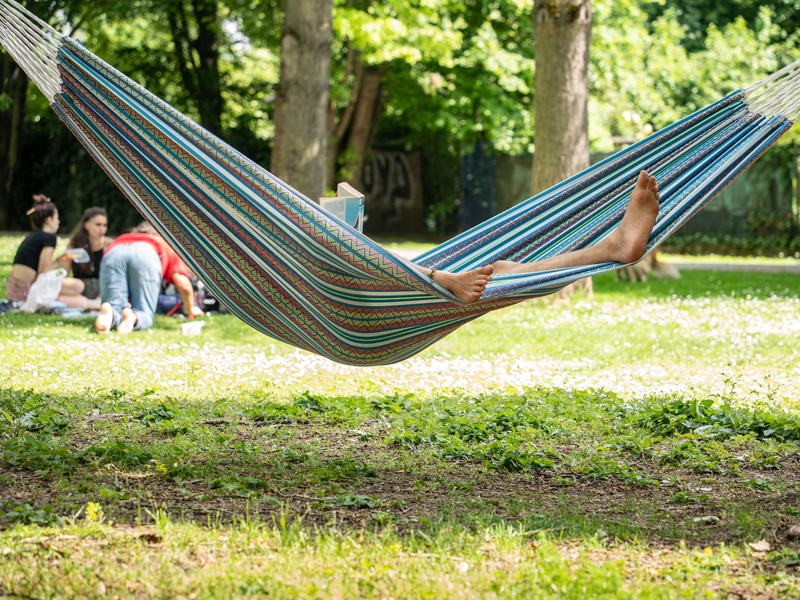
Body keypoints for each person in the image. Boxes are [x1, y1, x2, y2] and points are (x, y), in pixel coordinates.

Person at [423, 170, 661, 304]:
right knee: (500, 272)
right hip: (403, 288)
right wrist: (444, 278)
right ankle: (612, 248)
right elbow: (383, 263)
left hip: (401, 287)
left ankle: (613, 248)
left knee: (502, 271)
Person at [95, 222, 203, 334]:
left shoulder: (124, 237)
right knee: (144, 311)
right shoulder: (164, 242)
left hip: (113, 253)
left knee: (115, 304)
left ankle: (111, 314)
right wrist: (190, 309)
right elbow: (184, 285)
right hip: (146, 254)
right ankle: (134, 317)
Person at [6, 195, 100, 309]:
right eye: (57, 218)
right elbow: (43, 273)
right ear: (50, 220)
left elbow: (39, 269)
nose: (59, 222)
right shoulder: (49, 238)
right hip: (28, 293)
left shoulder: (33, 236)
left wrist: (59, 261)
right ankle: (91, 304)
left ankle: (89, 303)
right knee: (78, 287)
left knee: (77, 291)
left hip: (14, 293)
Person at [62, 207, 114, 301]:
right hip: (79, 291)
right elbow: (65, 273)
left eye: (104, 225)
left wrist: (101, 296)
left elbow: (114, 275)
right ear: (86, 225)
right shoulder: (75, 244)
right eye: (98, 225)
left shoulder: (109, 244)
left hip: (103, 291)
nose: (102, 229)